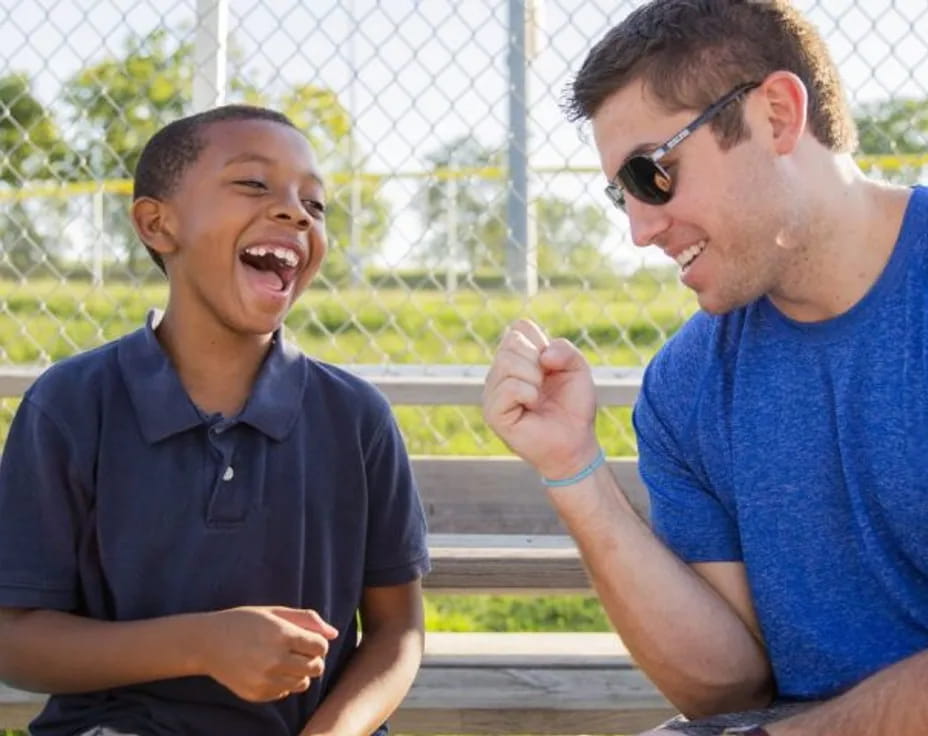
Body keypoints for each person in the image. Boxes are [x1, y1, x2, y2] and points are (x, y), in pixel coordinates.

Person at [482, 1, 927, 734]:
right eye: (619, 193)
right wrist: (574, 471)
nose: (639, 229)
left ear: (778, 115)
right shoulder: (685, 386)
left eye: (652, 174)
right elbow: (728, 692)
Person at [0, 105, 430, 736]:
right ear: (157, 224)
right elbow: (15, 642)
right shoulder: (69, 405)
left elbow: (398, 631)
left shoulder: (356, 417)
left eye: (314, 204)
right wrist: (204, 644)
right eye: (254, 185)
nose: (294, 212)